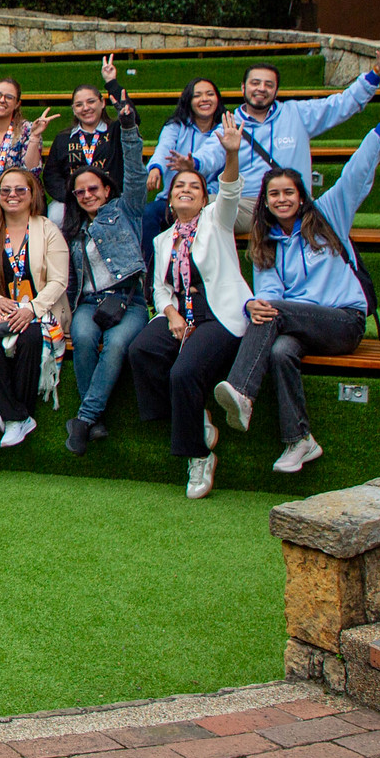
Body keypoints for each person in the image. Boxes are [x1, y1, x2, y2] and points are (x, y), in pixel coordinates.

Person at [214, 91, 380, 475]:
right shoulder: (267, 243)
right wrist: (253, 305)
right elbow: (271, 295)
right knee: (278, 351)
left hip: (343, 321)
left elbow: (357, 171)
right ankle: (300, 440)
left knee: (272, 314)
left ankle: (241, 390)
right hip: (302, 325)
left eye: (288, 192)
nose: (281, 199)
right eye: (274, 194)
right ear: (265, 201)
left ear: (301, 195)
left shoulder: (329, 216)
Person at [126, 117, 248, 500]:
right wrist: (171, 313)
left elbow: (229, 190)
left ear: (203, 197)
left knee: (183, 373)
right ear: (170, 195)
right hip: (182, 313)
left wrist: (231, 153)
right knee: (141, 351)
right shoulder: (162, 239)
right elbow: (160, 289)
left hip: (218, 315)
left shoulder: (217, 221)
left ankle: (198, 456)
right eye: (180, 186)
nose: (186, 191)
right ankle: (193, 417)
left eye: (194, 187)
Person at [192, 42, 380, 234]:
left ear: (276, 91)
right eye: (255, 83)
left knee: (211, 215)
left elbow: (342, 104)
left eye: (268, 85)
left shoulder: (297, 114)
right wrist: (192, 163)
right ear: (243, 88)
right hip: (243, 203)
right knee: (191, 203)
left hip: (286, 203)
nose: (261, 89)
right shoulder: (231, 123)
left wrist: (378, 72)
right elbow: (209, 154)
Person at [60, 75, 149, 456]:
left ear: (107, 189)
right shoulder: (74, 228)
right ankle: (91, 422)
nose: (87, 195)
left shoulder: (126, 210)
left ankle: (83, 418)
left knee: (114, 346)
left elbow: (136, 172)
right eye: (80, 192)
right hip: (89, 304)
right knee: (82, 339)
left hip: (128, 300)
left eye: (93, 188)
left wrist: (127, 127)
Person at [0, 168, 69, 448]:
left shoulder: (48, 229)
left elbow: (59, 280)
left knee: (32, 337)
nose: (12, 196)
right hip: (1, 307)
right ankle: (17, 417)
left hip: (40, 308)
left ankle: (9, 414)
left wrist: (32, 309)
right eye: (6, 190)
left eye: (20, 190)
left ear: (32, 194)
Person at [142, 78, 224, 268]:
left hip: (208, 199)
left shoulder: (224, 128)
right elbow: (164, 148)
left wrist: (192, 164)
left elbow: (213, 155)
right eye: (198, 95)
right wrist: (156, 168)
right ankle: (150, 275)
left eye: (210, 94)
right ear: (188, 100)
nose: (204, 99)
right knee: (148, 214)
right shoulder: (176, 126)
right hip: (174, 198)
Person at [42, 56, 125, 225]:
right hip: (73, 198)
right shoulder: (64, 138)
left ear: (102, 103)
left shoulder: (116, 131)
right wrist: (73, 197)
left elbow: (131, 117)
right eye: (79, 105)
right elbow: (51, 175)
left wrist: (111, 83)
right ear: (73, 110)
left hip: (110, 198)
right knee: (55, 217)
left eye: (91, 102)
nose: (86, 108)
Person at [0, 77, 53, 230]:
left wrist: (35, 137)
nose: (2, 100)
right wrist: (0, 200)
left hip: (25, 194)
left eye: (9, 97)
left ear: (17, 103)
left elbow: (32, 171)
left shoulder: (29, 129)